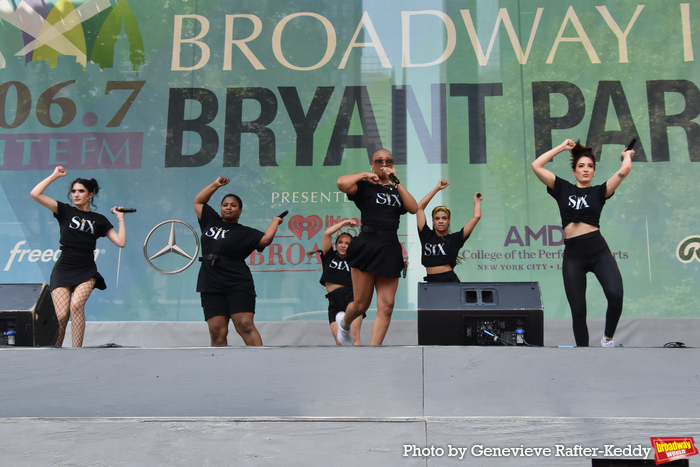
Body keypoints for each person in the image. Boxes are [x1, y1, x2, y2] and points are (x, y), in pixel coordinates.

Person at [531, 139, 633, 347]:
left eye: (590, 166)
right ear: (574, 171)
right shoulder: (562, 188)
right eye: (581, 166)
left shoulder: (599, 192)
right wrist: (561, 148)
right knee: (578, 311)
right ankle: (583, 354)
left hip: (598, 251)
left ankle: (608, 339)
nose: (586, 169)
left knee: (615, 295)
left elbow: (625, 169)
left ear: (594, 172)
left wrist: (627, 156)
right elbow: (536, 165)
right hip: (573, 256)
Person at [30, 167, 126, 347]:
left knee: (76, 306)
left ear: (90, 195)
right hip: (63, 268)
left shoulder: (99, 219)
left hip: (86, 269)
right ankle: (55, 349)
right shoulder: (65, 211)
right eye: (73, 191)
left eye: (81, 191)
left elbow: (120, 242)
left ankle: (77, 352)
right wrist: (54, 176)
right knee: (60, 315)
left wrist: (120, 218)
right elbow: (35, 194)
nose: (76, 194)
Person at [335, 148, 418, 345]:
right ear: (372, 165)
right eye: (379, 161)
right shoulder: (365, 187)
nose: (384, 164)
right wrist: (365, 175)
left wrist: (396, 182)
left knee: (387, 305)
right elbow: (341, 183)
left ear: (393, 165)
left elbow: (414, 208)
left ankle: (374, 351)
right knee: (361, 305)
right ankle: (344, 324)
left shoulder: (397, 190)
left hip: (389, 247)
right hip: (367, 244)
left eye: (388, 161)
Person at [194, 176, 283, 346]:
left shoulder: (245, 232)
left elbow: (265, 240)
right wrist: (215, 185)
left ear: (240, 211)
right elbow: (198, 202)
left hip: (237, 284)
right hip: (211, 283)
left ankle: (259, 365)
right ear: (221, 208)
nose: (229, 207)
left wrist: (275, 221)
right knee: (216, 332)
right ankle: (221, 369)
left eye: (233, 205)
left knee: (245, 326)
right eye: (225, 205)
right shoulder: (210, 221)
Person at [417, 180, 482, 282]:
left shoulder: (455, 238)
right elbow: (419, 208)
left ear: (449, 221)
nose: (441, 221)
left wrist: (476, 201)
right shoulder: (426, 235)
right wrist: (437, 188)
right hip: (430, 282)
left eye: (444, 218)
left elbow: (476, 216)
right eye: (437, 218)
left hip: (449, 281)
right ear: (433, 221)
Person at [312, 219, 365, 345]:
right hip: (333, 300)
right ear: (335, 244)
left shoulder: (355, 259)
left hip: (351, 298)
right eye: (340, 242)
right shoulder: (329, 255)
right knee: (340, 341)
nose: (343, 245)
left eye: (347, 243)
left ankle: (362, 363)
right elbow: (326, 234)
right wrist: (344, 223)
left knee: (355, 337)